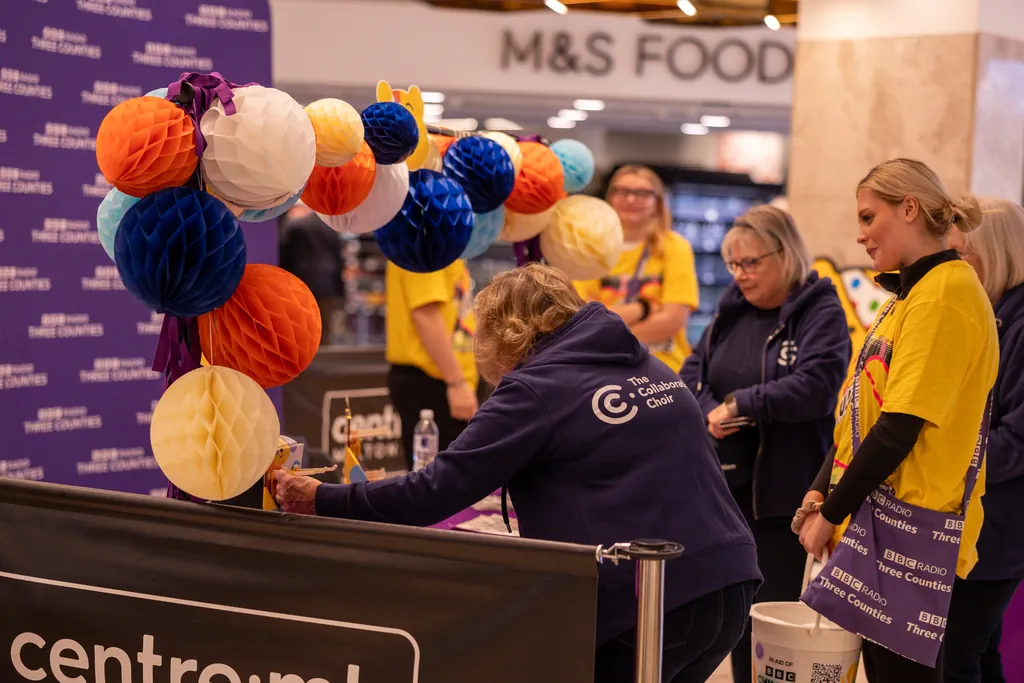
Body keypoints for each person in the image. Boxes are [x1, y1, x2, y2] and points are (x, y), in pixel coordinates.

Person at [275, 263, 762, 683]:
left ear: (505, 331)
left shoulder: (537, 388)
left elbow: (435, 490)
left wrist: (323, 498)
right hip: (727, 580)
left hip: (650, 599)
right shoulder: (649, 366)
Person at [795, 159, 999, 682]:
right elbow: (861, 416)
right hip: (878, 515)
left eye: (868, 217)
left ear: (909, 208)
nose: (859, 235)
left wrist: (832, 511)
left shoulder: (947, 293)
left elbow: (899, 428)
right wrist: (821, 490)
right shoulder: (906, 295)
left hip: (913, 523)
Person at [680, 205, 851, 683]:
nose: (741, 274)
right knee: (735, 623)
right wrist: (710, 408)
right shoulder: (732, 307)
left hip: (783, 498)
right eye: (734, 264)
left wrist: (739, 405)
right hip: (725, 496)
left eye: (751, 263)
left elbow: (816, 386)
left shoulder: (819, 309)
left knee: (775, 628)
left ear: (786, 253)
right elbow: (692, 373)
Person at [943, 198, 1024, 683]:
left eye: (961, 255)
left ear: (995, 253)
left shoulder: (1016, 325)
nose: (953, 268)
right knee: (976, 654)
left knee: (955, 660)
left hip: (998, 526)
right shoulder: (986, 315)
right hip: (976, 518)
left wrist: (944, 463)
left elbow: (1017, 439)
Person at [574, 165, 699, 373]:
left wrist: (610, 334)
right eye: (622, 191)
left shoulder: (674, 247)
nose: (631, 200)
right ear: (610, 197)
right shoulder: (591, 247)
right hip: (603, 369)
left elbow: (673, 320)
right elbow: (585, 320)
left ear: (657, 202)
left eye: (642, 193)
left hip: (664, 369)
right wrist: (643, 309)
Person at [385, 258, 478, 470]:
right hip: (433, 380)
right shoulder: (423, 241)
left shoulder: (443, 244)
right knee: (440, 485)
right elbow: (425, 313)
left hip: (445, 379)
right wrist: (456, 382)